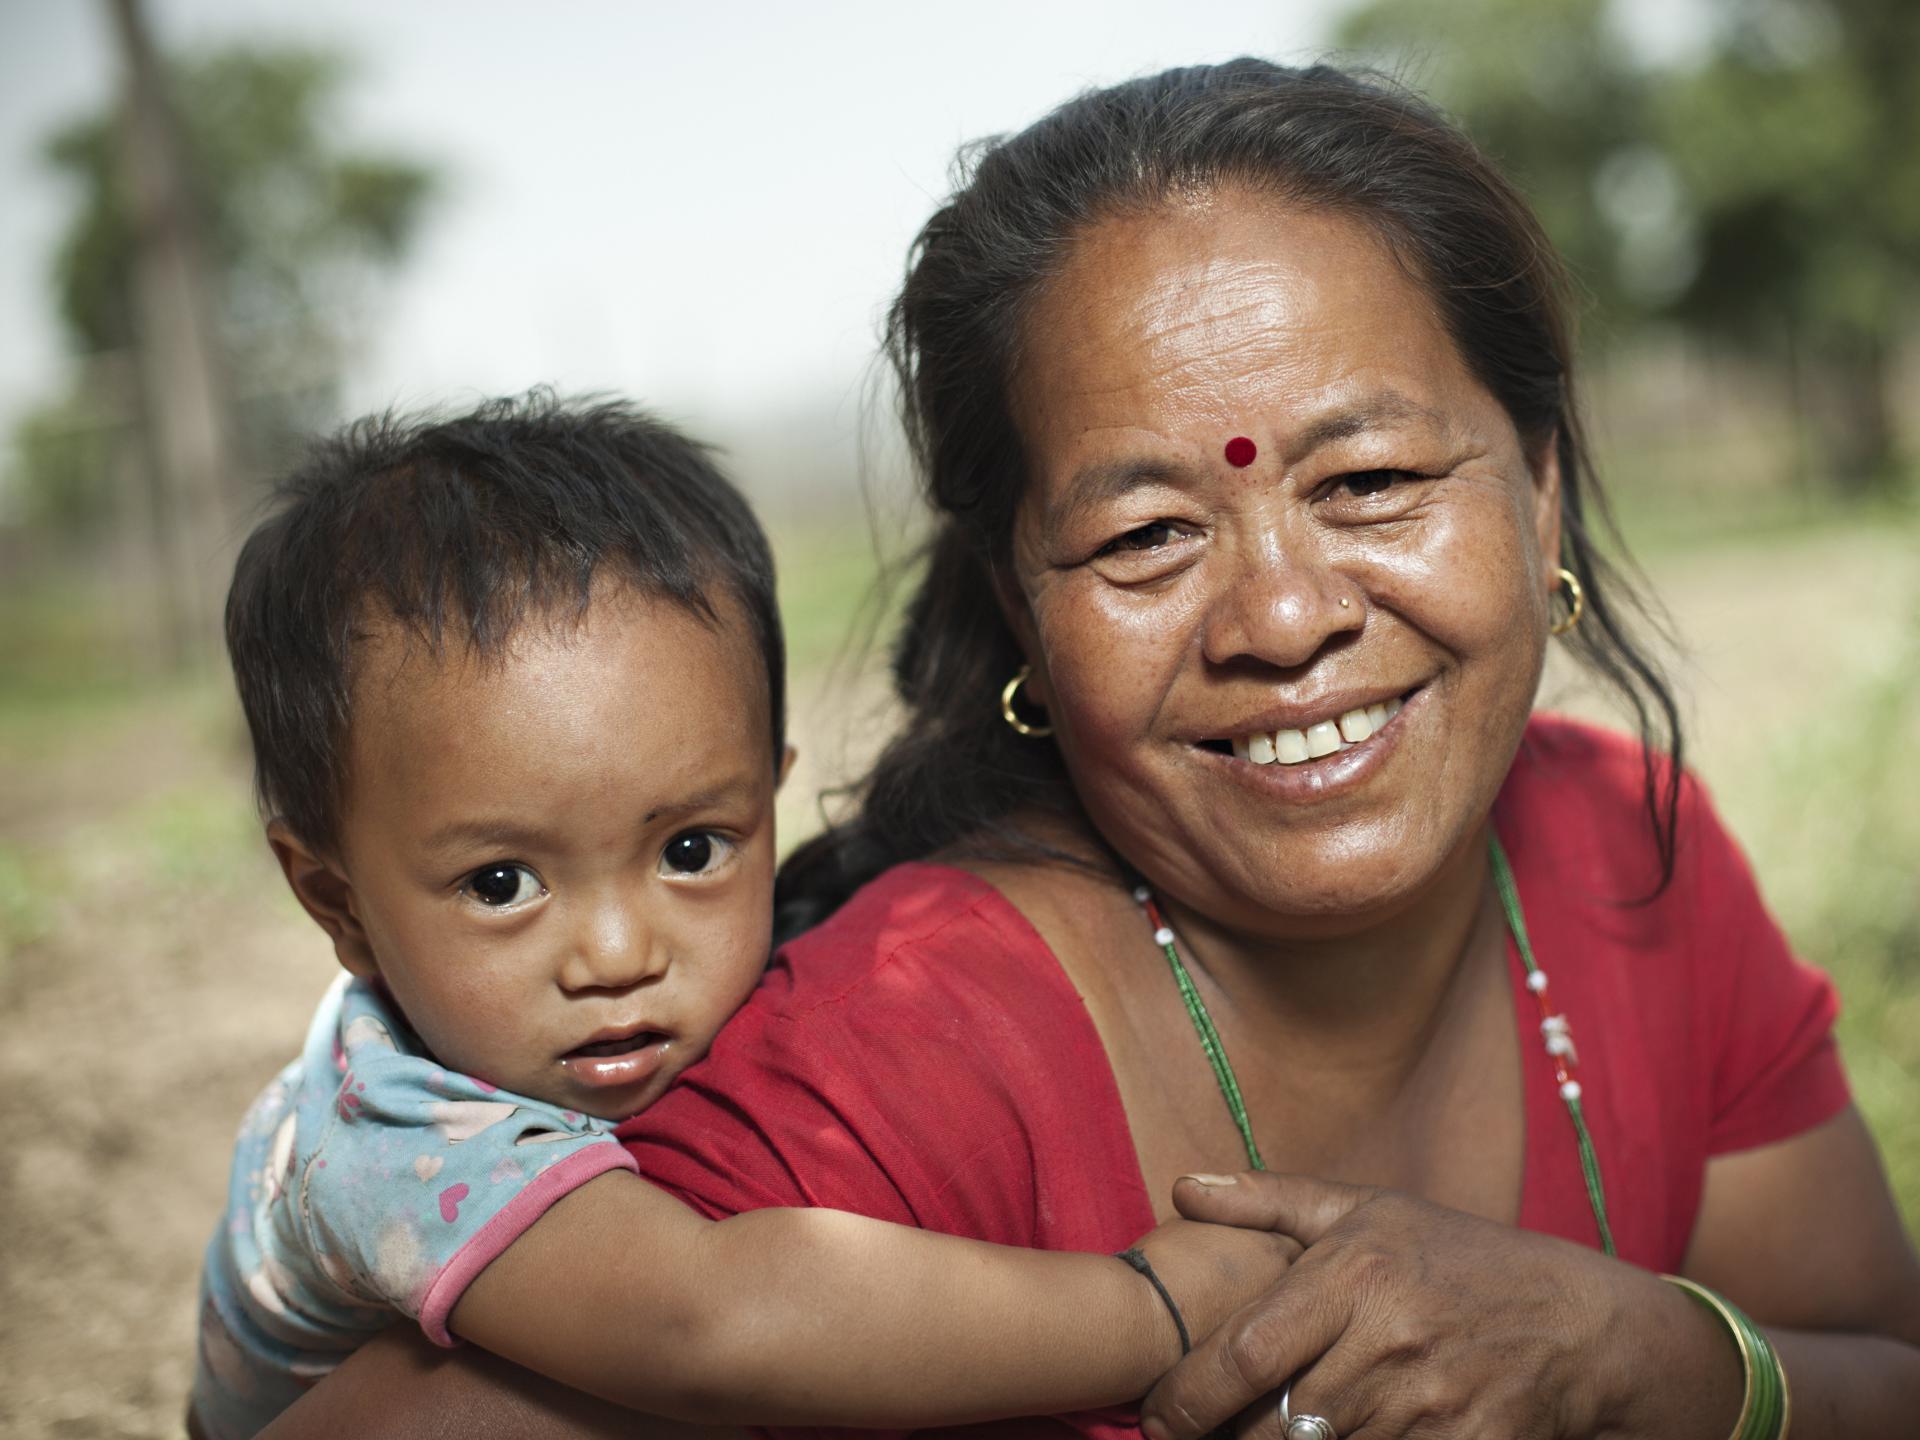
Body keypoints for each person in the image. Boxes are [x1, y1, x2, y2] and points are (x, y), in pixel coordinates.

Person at [261, 63, 1920, 1440]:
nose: (1278, 613)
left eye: (1369, 485)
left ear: (1539, 490)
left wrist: (1660, 1360)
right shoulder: (898, 1065)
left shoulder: (1634, 848)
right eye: (1143, 536)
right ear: (1022, 612)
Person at [191, 394, 1293, 1440]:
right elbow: (709, 1323)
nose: (619, 955)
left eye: (689, 852)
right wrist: (1147, 1313)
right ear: (335, 902)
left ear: (769, 795)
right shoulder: (385, 1138)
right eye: (500, 886)